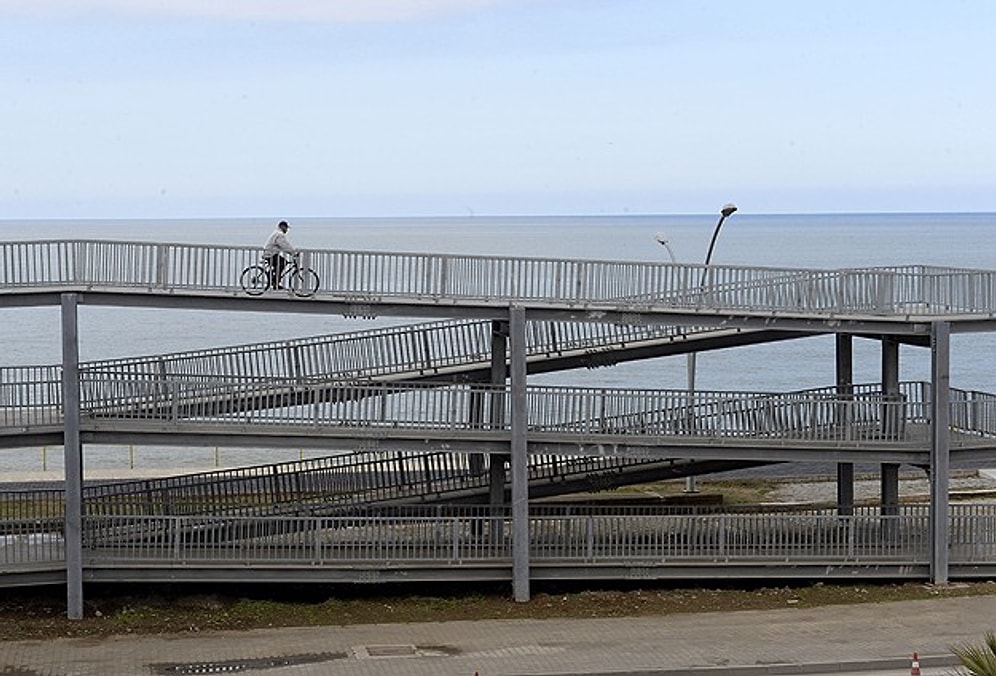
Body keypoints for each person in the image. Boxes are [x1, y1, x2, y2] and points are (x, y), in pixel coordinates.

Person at [263, 220, 297, 289]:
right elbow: (284, 245)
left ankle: (274, 280)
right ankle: (275, 281)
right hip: (271, 254)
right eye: (286, 228)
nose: (287, 230)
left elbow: (284, 245)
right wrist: (293, 252)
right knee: (282, 263)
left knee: (281, 263)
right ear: (282, 227)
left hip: (271, 253)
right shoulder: (279, 234)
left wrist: (291, 252)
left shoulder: (276, 233)